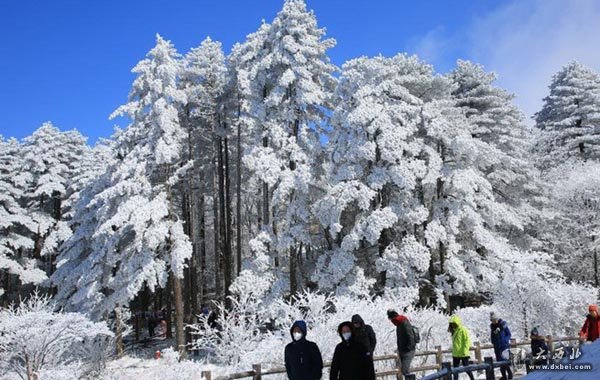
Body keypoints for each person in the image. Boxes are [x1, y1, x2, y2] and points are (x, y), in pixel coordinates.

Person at [387, 309, 416, 377]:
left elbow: (410, 335)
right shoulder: (399, 324)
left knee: (405, 370)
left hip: (408, 350)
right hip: (403, 350)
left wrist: (408, 348)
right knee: (404, 370)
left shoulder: (403, 323)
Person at [448, 315, 475, 380]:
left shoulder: (463, 329)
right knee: (455, 371)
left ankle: (472, 379)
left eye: (453, 324)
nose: (452, 325)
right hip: (456, 353)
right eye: (451, 324)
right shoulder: (454, 331)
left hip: (463, 353)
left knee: (467, 369)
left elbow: (467, 341)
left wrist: (465, 351)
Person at [490, 312, 513, 380]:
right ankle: (504, 376)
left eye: (494, 320)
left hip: (504, 346)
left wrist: (505, 341)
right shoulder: (492, 328)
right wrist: (494, 342)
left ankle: (510, 374)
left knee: (505, 361)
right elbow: (492, 337)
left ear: (497, 319)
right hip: (497, 347)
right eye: (492, 320)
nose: (494, 321)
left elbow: (509, 334)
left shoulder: (503, 325)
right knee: (500, 363)